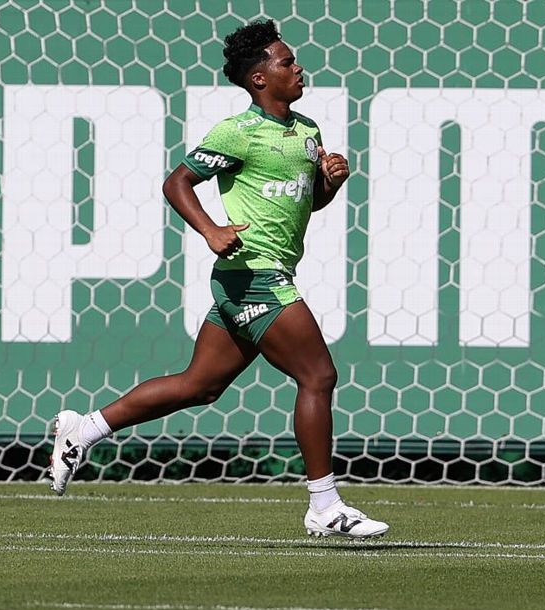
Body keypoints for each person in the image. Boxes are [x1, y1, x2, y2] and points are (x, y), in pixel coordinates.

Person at [48, 19, 387, 539]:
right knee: (318, 376)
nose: (298, 68)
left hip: (254, 276)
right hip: (253, 274)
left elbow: (308, 202)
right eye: (286, 61)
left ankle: (84, 430)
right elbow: (177, 181)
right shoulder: (237, 132)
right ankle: (324, 505)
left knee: (199, 385)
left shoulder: (307, 131)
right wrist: (209, 229)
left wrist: (330, 184)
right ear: (258, 79)